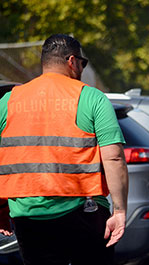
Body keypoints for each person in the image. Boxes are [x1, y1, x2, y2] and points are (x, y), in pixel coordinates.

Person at [0, 34, 129, 265]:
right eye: (83, 63)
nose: (82, 68)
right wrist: (119, 211)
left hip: (27, 215)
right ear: (72, 61)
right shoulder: (91, 97)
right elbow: (114, 158)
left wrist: (0, 209)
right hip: (84, 212)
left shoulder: (8, 101)